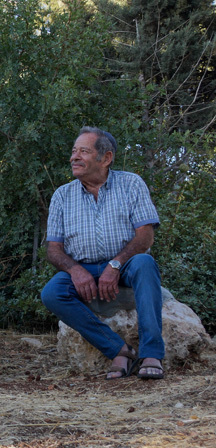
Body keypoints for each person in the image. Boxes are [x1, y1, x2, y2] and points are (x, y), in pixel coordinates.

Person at [41, 126, 165, 380]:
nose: (74, 157)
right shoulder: (62, 195)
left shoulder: (131, 184)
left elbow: (145, 237)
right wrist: (75, 270)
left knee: (145, 263)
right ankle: (119, 349)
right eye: (74, 151)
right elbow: (53, 250)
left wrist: (115, 265)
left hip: (127, 264)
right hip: (84, 267)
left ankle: (152, 353)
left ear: (106, 158)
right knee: (52, 293)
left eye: (83, 151)